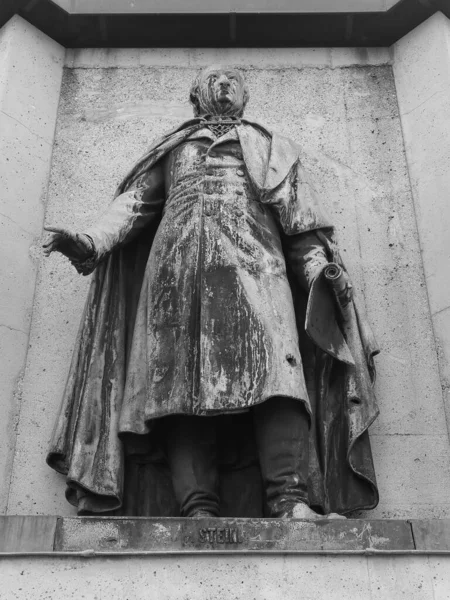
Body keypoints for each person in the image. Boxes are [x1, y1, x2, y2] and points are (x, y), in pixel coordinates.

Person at [44, 66, 380, 519]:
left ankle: (290, 501)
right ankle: (196, 509)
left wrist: (324, 272)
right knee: (177, 392)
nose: (224, 84)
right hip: (177, 277)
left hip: (256, 271)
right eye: (213, 78)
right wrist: (89, 241)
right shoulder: (174, 147)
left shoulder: (271, 147)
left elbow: (302, 228)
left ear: (245, 94)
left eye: (234, 79)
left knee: (278, 381)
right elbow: (134, 206)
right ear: (196, 94)